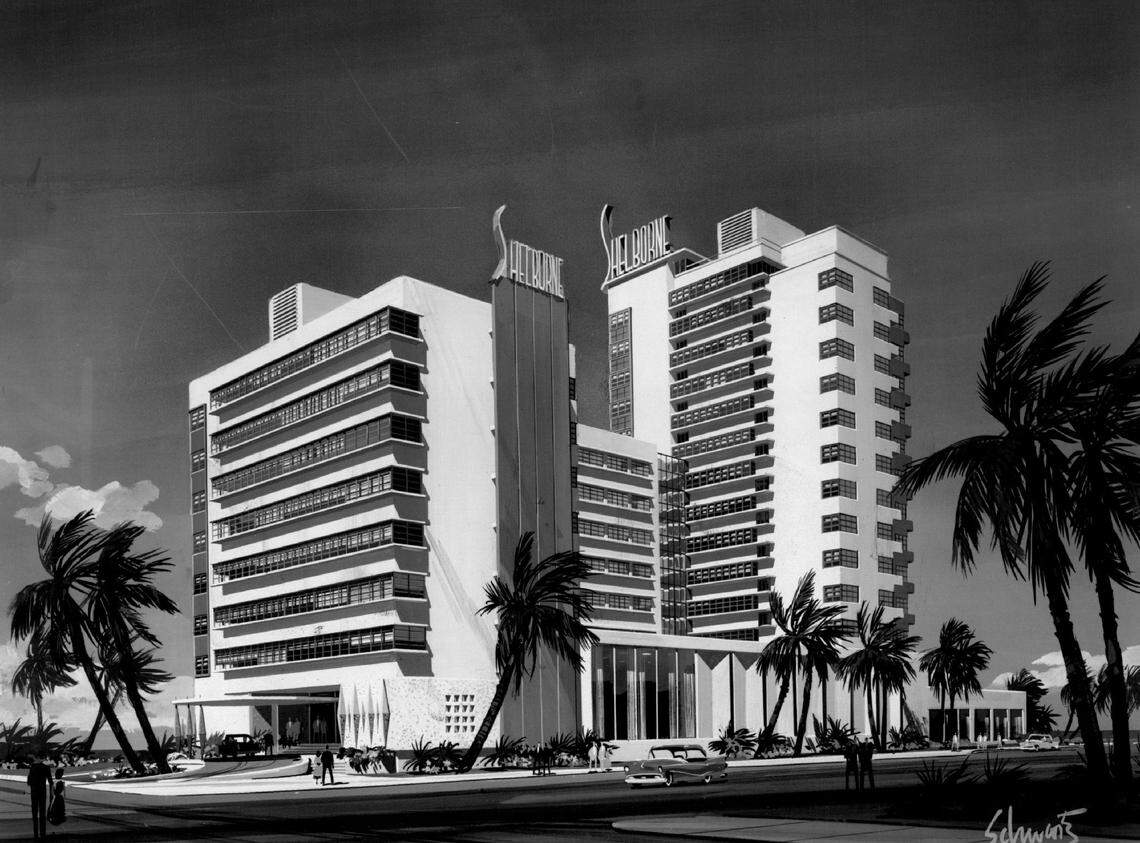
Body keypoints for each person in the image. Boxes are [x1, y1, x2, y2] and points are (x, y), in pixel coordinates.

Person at [25, 753, 52, 840]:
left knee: (34, 813)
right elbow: (50, 781)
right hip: (42, 791)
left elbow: (29, 782)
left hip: (34, 792)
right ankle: (43, 834)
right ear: (42, 759)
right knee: (42, 813)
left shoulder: (33, 767)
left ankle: (36, 834)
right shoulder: (46, 767)